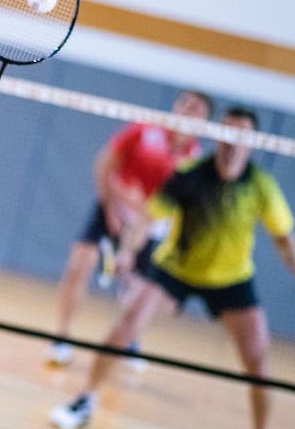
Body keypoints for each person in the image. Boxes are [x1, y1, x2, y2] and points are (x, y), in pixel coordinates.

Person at [49, 106, 295, 429]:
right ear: (217, 136)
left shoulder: (261, 184)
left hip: (231, 279)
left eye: (241, 135)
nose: (232, 142)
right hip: (176, 271)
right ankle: (85, 400)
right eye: (227, 133)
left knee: (258, 363)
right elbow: (148, 217)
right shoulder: (190, 174)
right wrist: (128, 250)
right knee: (124, 328)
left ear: (253, 142)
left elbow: (282, 234)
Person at [44, 90, 215, 369]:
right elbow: (105, 163)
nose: (187, 110)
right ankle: (61, 338)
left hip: (150, 226)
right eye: (184, 103)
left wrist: (136, 236)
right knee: (79, 264)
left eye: (196, 108)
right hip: (112, 208)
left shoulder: (195, 161)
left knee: (146, 295)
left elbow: (174, 207)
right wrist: (111, 209)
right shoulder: (144, 131)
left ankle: (129, 339)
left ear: (205, 121)